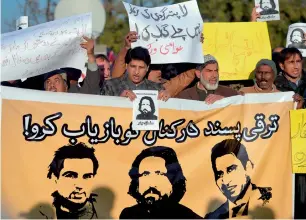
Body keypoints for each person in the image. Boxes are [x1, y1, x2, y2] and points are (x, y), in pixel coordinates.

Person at [111, 31, 201, 98]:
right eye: (155, 68)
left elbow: (184, 78)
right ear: (146, 70)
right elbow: (118, 71)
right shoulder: (119, 84)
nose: (159, 72)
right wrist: (126, 47)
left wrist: (194, 47)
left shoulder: (161, 89)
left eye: (161, 68)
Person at [120, 146, 201, 219]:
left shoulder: (185, 215)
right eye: (145, 174)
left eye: (159, 174)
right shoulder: (128, 215)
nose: (151, 184)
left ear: (173, 181)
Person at [204, 139, 272, 219]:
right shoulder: (213, 217)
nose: (225, 181)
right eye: (219, 174)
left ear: (247, 167)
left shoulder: (271, 200)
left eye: (230, 169)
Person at [42, 143, 99, 219]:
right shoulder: (43, 213)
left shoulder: (101, 213)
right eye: (71, 176)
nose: (80, 185)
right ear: (55, 178)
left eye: (87, 176)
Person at [101, 46, 170, 101]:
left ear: (147, 68)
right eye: (133, 66)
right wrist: (119, 100)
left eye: (141, 67)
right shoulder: (110, 86)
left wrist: (167, 100)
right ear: (126, 66)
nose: (136, 72)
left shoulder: (157, 89)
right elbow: (101, 111)